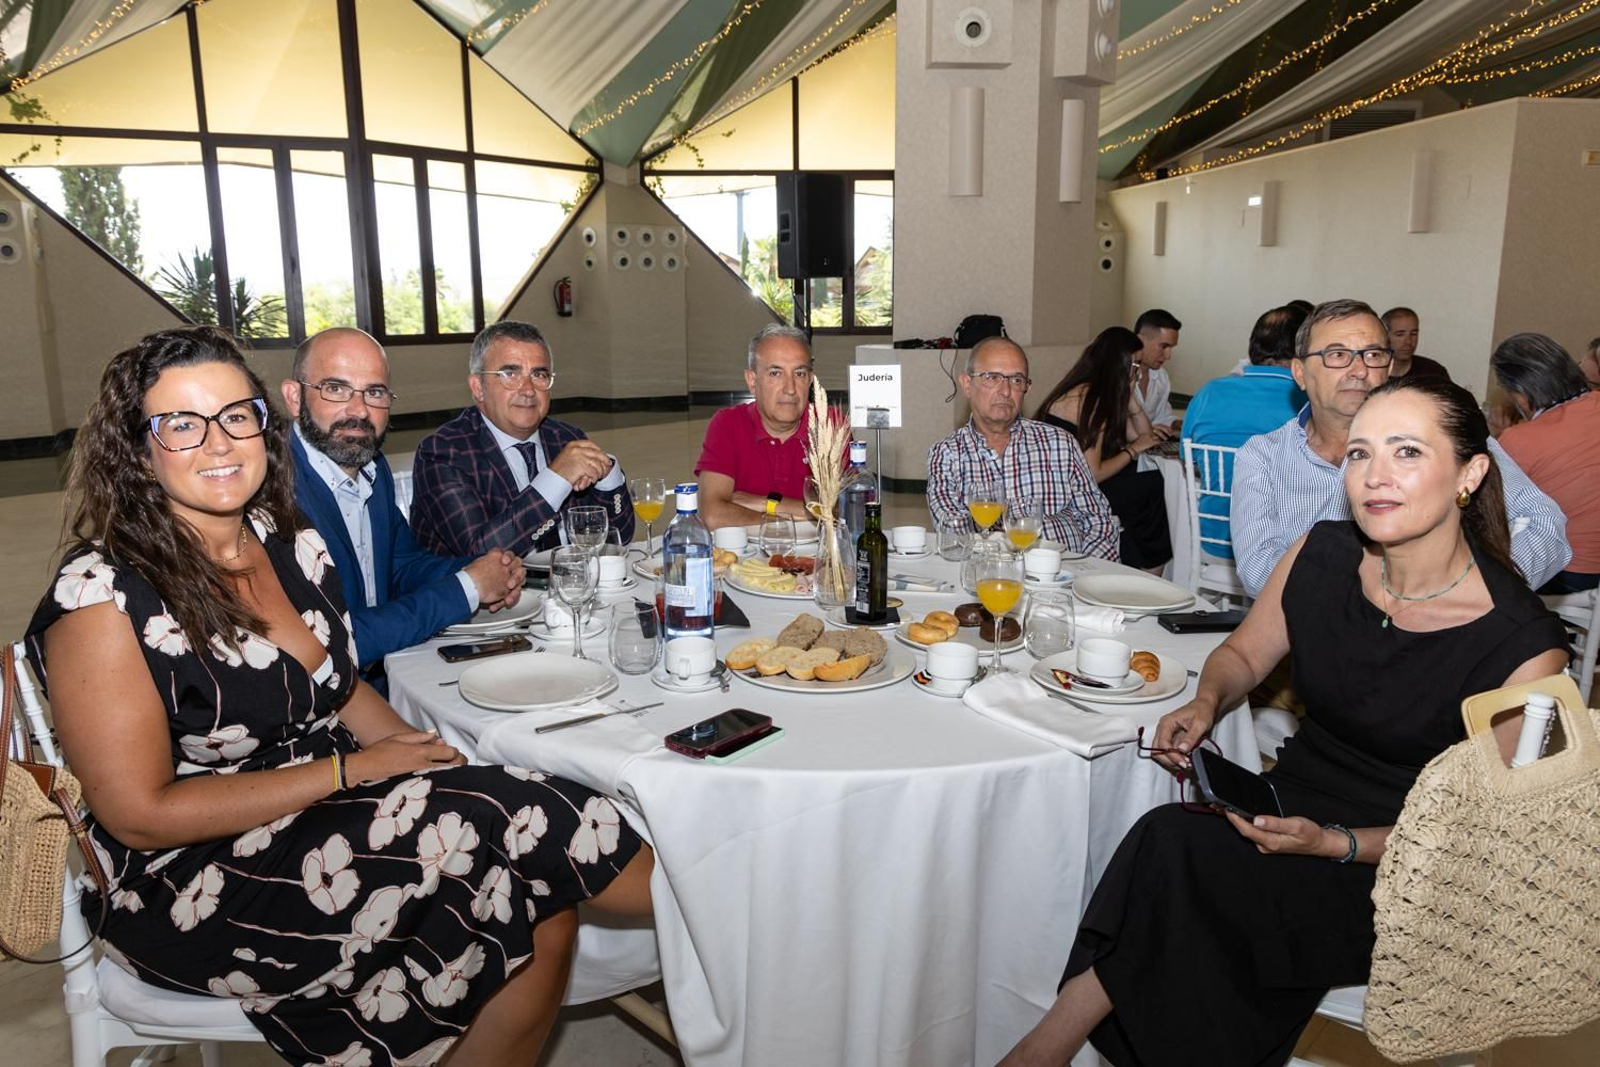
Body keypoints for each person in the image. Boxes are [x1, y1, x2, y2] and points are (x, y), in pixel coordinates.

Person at [25, 325, 654, 1066]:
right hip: (192, 877)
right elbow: (139, 815)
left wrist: (429, 756)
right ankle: (723, 911)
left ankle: (716, 910)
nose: (219, 442)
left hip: (319, 809)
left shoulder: (287, 540)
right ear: (138, 448)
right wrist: (348, 771)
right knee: (526, 817)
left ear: (265, 425)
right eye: (182, 424)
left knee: (533, 884)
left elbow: (341, 684)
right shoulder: (100, 594)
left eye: (235, 415)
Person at [1000, 375, 1569, 1067]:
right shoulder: (1322, 554)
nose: (1375, 475)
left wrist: (1335, 844)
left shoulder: (1525, 645)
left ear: (1470, 474)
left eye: (1407, 452)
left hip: (1405, 865)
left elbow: (1492, 835)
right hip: (1289, 805)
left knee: (1192, 877)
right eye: (1359, 453)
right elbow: (1242, 654)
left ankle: (1040, 1054)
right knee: (1169, 842)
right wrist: (1206, 702)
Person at [1231, 299, 1569, 597]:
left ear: (1389, 369)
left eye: (1373, 355)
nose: (1359, 370)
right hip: (1306, 634)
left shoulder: (1444, 435)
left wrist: (1471, 592)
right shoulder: (1264, 456)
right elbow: (1259, 574)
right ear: (1300, 372)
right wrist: (1365, 596)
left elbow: (1545, 524)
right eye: (1337, 355)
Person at [283, 328, 525, 692]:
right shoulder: (275, 493)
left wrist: (488, 569)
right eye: (336, 388)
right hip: (313, 704)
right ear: (294, 397)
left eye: (375, 392)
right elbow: (333, 641)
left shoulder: (371, 466)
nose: (359, 410)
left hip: (384, 679)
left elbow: (402, 567)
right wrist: (467, 588)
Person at [410, 321, 635, 557]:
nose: (528, 390)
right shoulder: (443, 452)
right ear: (478, 387)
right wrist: (556, 478)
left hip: (570, 578)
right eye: (510, 374)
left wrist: (607, 474)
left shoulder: (566, 438)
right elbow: (479, 554)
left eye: (539, 374)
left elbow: (618, 540)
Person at [927, 336, 1121, 559]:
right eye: (992, 377)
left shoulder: (1059, 444)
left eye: (1017, 380)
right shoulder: (947, 454)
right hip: (986, 571)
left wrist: (1088, 572)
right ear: (967, 385)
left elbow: (1099, 520)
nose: (1006, 391)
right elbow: (953, 534)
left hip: (1063, 570)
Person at [1034, 327, 1171, 571]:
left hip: (1068, 481)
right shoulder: (1090, 400)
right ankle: (1148, 568)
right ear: (1121, 364)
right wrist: (1132, 451)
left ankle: (1135, 560)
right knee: (1152, 486)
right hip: (1066, 490)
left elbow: (1143, 436)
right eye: (1136, 365)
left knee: (1142, 483)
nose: (1138, 373)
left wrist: (1130, 398)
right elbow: (1093, 474)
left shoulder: (1092, 390)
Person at [1180, 305, 1310, 560]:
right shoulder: (1307, 402)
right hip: (1280, 553)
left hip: (1213, 541)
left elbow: (1191, 464)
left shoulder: (1209, 392)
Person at [1491, 332, 1600, 594]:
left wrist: (1498, 443)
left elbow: (1491, 510)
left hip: (1564, 570)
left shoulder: (1519, 440)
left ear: (1520, 393)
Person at [696, 323, 828, 530]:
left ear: (810, 380)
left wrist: (768, 504)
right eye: (775, 373)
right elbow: (713, 515)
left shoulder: (829, 426)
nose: (790, 389)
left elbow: (843, 512)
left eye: (799, 373)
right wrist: (802, 515)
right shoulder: (728, 424)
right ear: (752, 381)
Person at [1132, 308, 1182, 432]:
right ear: (1140, 340)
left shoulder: (1161, 376)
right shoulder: (1116, 374)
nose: (1168, 356)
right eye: (1164, 346)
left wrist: (1177, 424)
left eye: (1171, 348)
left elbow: (1161, 416)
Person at [1381, 306, 1452, 382]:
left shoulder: (1434, 373)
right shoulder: (1373, 372)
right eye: (1400, 335)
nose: (1408, 341)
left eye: (1413, 334)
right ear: (1384, 336)